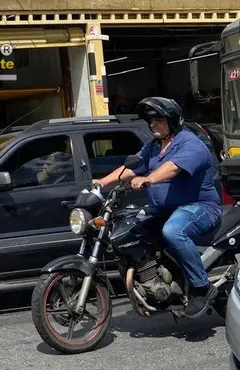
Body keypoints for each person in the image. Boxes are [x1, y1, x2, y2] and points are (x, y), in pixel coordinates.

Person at [95, 96, 222, 317]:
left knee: (173, 231)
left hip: (199, 207)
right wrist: (102, 182)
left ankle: (202, 288)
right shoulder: (153, 147)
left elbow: (172, 168)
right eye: (150, 121)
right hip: (165, 210)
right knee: (128, 225)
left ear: (172, 120)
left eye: (158, 120)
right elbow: (131, 167)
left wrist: (149, 179)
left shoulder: (191, 144)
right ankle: (154, 276)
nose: (153, 124)